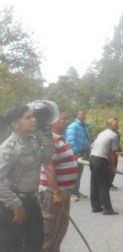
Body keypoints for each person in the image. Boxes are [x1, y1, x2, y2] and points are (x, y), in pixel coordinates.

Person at [0, 104, 55, 252]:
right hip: (14, 205)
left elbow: (46, 158)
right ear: (15, 124)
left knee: (35, 243)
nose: (34, 119)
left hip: (32, 201)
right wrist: (16, 204)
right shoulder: (9, 148)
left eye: (34, 116)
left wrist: (48, 136)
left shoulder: (31, 141)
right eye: (28, 117)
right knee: (12, 246)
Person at [38, 112, 79, 252]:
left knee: (59, 231)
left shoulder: (60, 139)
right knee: (48, 234)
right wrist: (56, 192)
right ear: (53, 122)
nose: (67, 121)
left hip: (62, 192)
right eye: (64, 119)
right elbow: (49, 168)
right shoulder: (51, 141)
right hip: (52, 194)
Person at [89, 118, 119, 215]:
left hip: (92, 157)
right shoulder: (114, 135)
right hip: (101, 160)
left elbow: (92, 146)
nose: (117, 125)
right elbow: (112, 153)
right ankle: (107, 209)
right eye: (115, 124)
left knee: (94, 183)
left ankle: (96, 207)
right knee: (103, 185)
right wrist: (112, 166)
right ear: (109, 125)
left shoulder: (102, 133)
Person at [64, 111, 90, 202]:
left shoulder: (84, 126)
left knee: (79, 173)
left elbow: (87, 139)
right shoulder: (73, 126)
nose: (83, 115)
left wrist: (87, 151)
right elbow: (70, 141)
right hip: (75, 154)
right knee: (73, 174)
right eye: (81, 114)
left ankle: (76, 191)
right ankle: (71, 193)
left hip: (82, 153)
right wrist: (76, 153)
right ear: (77, 115)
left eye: (84, 114)